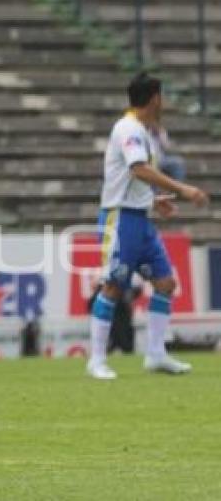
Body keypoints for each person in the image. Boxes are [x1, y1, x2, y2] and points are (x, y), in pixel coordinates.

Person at [86, 72, 209, 380]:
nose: (163, 101)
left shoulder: (141, 130)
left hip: (140, 218)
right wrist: (183, 189)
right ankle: (97, 360)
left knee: (165, 284)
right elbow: (138, 169)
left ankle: (156, 355)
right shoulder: (128, 129)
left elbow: (128, 177)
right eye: (162, 96)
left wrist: (153, 201)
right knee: (113, 286)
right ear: (154, 98)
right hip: (120, 219)